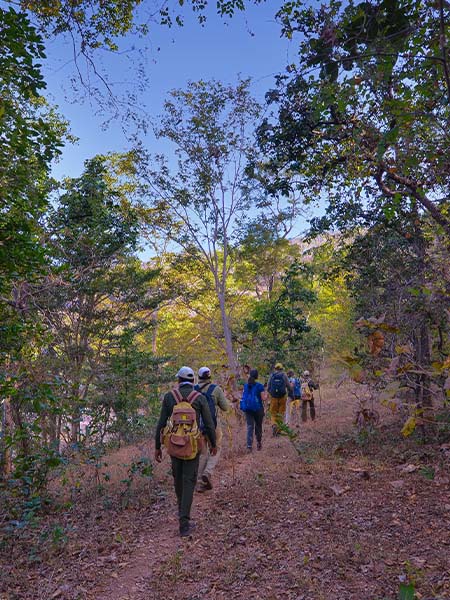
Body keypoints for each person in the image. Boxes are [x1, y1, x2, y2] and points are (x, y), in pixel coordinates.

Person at [155, 366, 217, 537]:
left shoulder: (169, 397)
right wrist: (213, 443)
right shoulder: (199, 398)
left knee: (178, 480)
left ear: (178, 380)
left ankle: (182, 513)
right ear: (193, 381)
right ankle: (184, 523)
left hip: (174, 445)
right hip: (193, 446)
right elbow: (209, 424)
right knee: (189, 481)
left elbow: (160, 424)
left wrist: (157, 447)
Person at [195, 366, 231, 493]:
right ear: (210, 377)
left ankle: (199, 483)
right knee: (217, 448)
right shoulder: (216, 389)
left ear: (198, 376)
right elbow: (226, 407)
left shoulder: (193, 390)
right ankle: (208, 472)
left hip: (197, 428)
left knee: (202, 453)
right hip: (213, 426)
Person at [240, 368, 265, 451]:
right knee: (258, 426)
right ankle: (258, 443)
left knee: (250, 427)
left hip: (248, 409)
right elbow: (263, 398)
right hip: (258, 409)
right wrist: (267, 395)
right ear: (257, 376)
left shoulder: (246, 386)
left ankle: (249, 446)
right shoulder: (260, 386)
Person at [267, 363, 292, 436]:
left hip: (273, 397)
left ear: (275, 368)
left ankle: (274, 424)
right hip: (282, 397)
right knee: (281, 413)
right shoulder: (284, 375)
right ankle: (279, 430)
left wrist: (271, 394)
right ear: (281, 369)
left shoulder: (272, 376)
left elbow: (268, 387)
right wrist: (290, 391)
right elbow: (289, 386)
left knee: (273, 413)